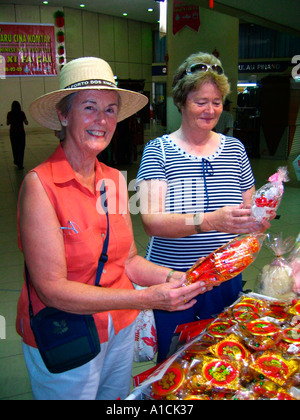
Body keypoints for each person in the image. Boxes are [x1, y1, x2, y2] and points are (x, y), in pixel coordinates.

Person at [15, 57, 208, 400]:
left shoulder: (114, 181)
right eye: (89, 108)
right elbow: (52, 290)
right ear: (64, 115)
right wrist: (144, 298)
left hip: (119, 329)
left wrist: (171, 277)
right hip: (67, 335)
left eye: (110, 110)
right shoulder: (40, 186)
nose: (101, 121)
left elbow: (128, 260)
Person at [136, 52, 273, 363]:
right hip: (173, 279)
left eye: (216, 101)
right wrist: (209, 221)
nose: (210, 110)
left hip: (224, 280)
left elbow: (251, 211)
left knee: (221, 360)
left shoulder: (235, 149)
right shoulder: (158, 151)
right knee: (175, 365)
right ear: (181, 102)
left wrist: (259, 218)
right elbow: (152, 222)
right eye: (200, 101)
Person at [7, 100, 28, 169]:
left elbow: (8, 123)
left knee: (14, 147)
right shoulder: (21, 113)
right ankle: (20, 163)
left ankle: (16, 160)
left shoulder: (10, 114)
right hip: (21, 132)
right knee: (21, 148)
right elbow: (26, 122)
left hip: (13, 133)